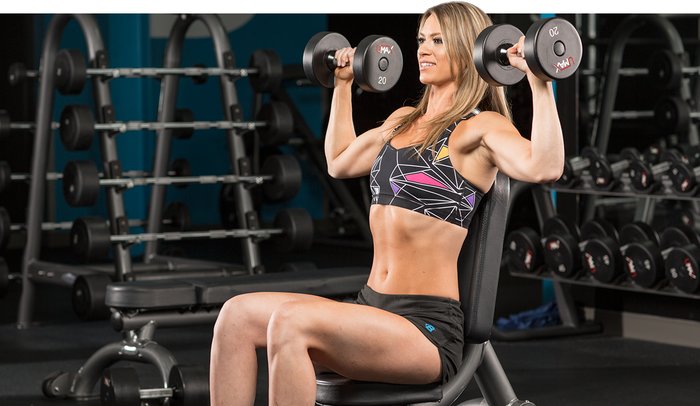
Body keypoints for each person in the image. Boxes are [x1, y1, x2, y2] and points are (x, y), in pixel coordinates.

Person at [210, 2, 564, 405]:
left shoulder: (478, 128)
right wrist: (342, 86)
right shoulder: (402, 121)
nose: (422, 50)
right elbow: (339, 161)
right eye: (420, 40)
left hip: (424, 328)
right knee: (236, 316)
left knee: (290, 323)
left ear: (468, 50)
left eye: (437, 40)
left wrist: (540, 80)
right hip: (373, 308)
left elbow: (546, 167)